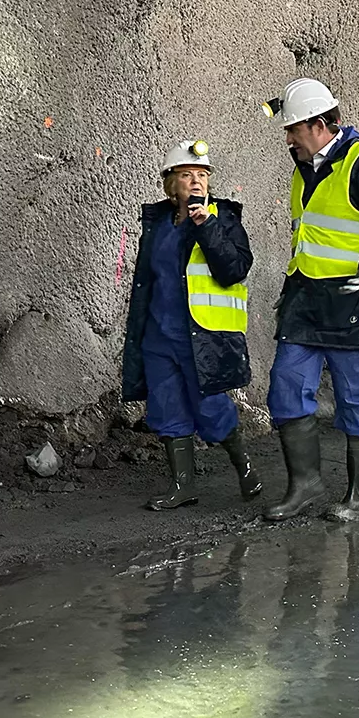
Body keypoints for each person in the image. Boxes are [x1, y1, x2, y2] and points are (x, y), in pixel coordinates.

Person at [260, 78, 359, 523]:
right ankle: (305, 485)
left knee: (354, 400)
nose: (288, 139)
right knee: (286, 388)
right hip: (306, 302)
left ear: (317, 125)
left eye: (293, 130)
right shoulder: (302, 169)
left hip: (355, 303)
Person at [122, 140, 261, 510]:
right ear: (171, 184)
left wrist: (207, 227)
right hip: (158, 335)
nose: (196, 182)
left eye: (202, 175)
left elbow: (235, 269)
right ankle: (182, 486)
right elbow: (147, 280)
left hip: (201, 336)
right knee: (165, 407)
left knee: (211, 408)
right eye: (187, 175)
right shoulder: (158, 223)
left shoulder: (224, 218)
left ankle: (243, 466)